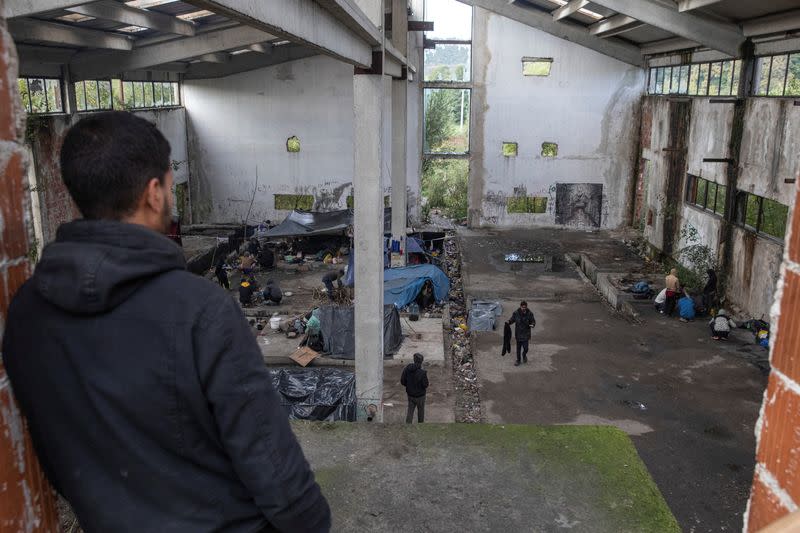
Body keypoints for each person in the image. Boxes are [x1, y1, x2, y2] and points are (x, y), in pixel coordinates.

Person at [1, 112, 329, 532]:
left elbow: (53, 457)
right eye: (172, 187)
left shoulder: (26, 315)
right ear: (154, 194)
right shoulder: (200, 311)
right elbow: (278, 475)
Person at [401, 353, 429, 423]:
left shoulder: (407, 368)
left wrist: (409, 386)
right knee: (421, 411)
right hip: (420, 396)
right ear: (421, 361)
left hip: (410, 395)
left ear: (414, 360)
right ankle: (420, 426)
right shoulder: (422, 373)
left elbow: (402, 381)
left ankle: (408, 427)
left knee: (410, 411)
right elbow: (426, 385)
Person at [506, 301, 536, 366]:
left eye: (525, 307)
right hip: (518, 334)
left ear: (526, 307)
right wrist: (508, 322)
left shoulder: (530, 314)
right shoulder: (516, 313)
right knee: (518, 349)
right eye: (522, 307)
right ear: (520, 306)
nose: (524, 308)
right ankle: (518, 360)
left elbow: (533, 321)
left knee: (526, 348)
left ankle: (524, 355)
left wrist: (532, 325)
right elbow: (512, 319)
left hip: (526, 335)